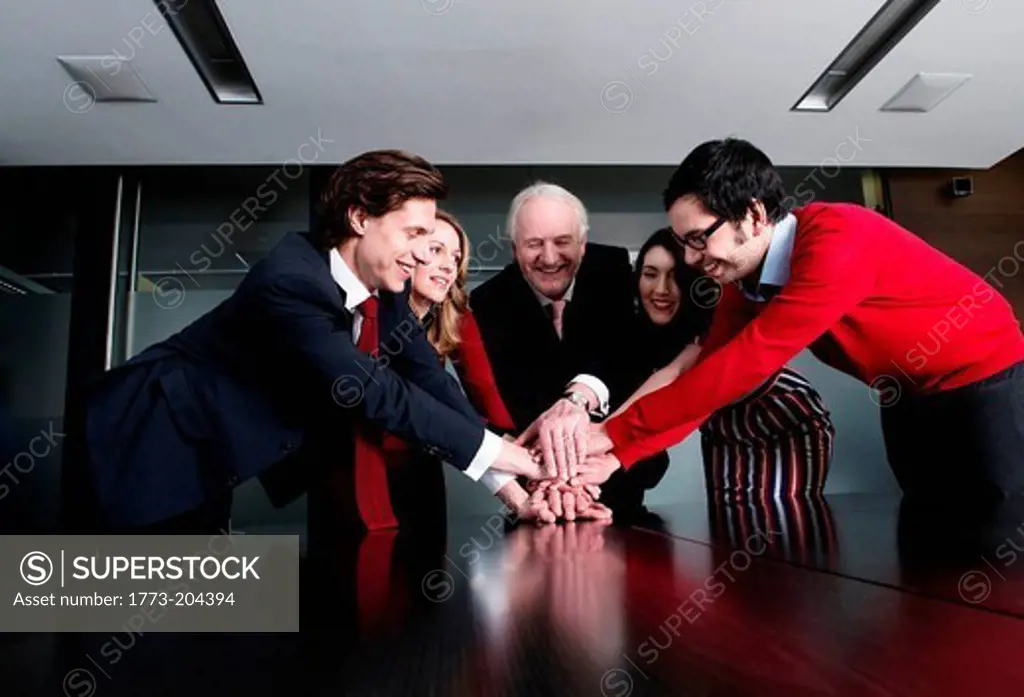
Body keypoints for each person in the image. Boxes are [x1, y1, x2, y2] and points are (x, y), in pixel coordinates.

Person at [74, 149, 548, 534]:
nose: (425, 252)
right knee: (118, 608)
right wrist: (500, 452)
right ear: (360, 218)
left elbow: (426, 376)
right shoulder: (290, 281)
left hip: (212, 447)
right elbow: (373, 390)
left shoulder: (386, 286)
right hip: (147, 432)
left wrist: (506, 483)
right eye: (414, 233)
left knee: (193, 612)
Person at [581, 138, 1024, 505]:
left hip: (985, 381)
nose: (692, 259)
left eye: (699, 238)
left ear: (753, 216)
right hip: (907, 396)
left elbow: (745, 365)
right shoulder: (743, 287)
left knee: (998, 536)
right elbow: (707, 378)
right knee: (927, 529)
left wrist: (613, 432)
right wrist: (621, 453)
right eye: (683, 243)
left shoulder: (838, 240)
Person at [380, 208, 611, 524]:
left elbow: (480, 414)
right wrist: (538, 470)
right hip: (355, 468)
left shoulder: (455, 321)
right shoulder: (372, 316)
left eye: (456, 256)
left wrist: (531, 495)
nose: (449, 264)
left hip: (419, 469)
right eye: (435, 250)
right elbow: (443, 413)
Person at [470, 182, 667, 517]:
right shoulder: (488, 302)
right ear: (515, 248)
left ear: (583, 243)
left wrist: (580, 402)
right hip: (539, 494)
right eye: (534, 244)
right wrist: (556, 483)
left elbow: (629, 366)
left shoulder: (618, 272)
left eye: (562, 242)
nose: (549, 258)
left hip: (624, 482)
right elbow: (509, 408)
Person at [621, 227, 835, 501]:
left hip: (781, 416)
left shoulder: (709, 327)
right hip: (722, 427)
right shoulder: (647, 334)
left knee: (781, 524)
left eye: (675, 277)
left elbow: (677, 374)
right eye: (650, 274)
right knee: (730, 525)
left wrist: (599, 440)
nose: (661, 289)